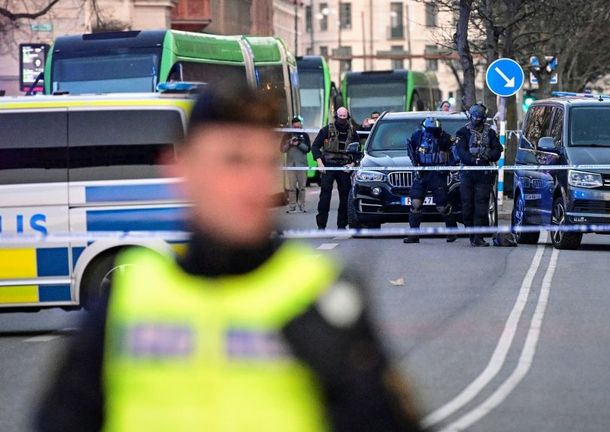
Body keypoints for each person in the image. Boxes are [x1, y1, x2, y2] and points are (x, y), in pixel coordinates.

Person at [36, 84, 421, 432]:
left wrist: (349, 381)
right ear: (181, 168)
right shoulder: (128, 302)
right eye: (234, 161)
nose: (255, 183)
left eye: (264, 162)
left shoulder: (321, 296)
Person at [454, 103, 503, 247]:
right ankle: (471, 232)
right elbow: (461, 152)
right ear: (471, 116)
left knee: (481, 205)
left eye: (480, 118)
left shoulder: (490, 133)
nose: (477, 120)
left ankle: (478, 236)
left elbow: (497, 150)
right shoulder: (462, 132)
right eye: (475, 117)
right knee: (467, 205)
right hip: (468, 173)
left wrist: (485, 158)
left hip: (484, 173)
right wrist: (473, 160)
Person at [403, 117, 459, 244]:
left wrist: (447, 167)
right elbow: (411, 150)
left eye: (434, 130)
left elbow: (454, 154)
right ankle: (414, 235)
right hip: (422, 172)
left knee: (442, 206)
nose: (431, 133)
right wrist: (415, 164)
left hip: (438, 174)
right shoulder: (417, 136)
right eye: (429, 130)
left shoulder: (445, 138)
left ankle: (452, 230)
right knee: (416, 203)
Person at [311, 107, 361, 230]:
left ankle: (342, 226)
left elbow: (358, 150)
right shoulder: (327, 129)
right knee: (325, 197)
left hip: (344, 166)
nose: (342, 119)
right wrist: (320, 163)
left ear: (348, 117)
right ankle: (321, 226)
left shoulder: (352, 131)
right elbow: (315, 147)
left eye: (345, 117)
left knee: (345, 197)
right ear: (336, 116)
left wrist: (352, 164)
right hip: (329, 164)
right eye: (341, 117)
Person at [282, 116, 311, 213]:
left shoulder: (305, 135)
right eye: (295, 127)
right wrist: (289, 143)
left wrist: (298, 143)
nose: (297, 129)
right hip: (291, 165)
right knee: (292, 188)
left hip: (302, 165)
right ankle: (292, 207)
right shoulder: (287, 135)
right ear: (292, 126)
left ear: (301, 126)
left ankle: (302, 205)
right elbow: (282, 149)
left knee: (302, 187)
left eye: (298, 127)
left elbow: (307, 149)